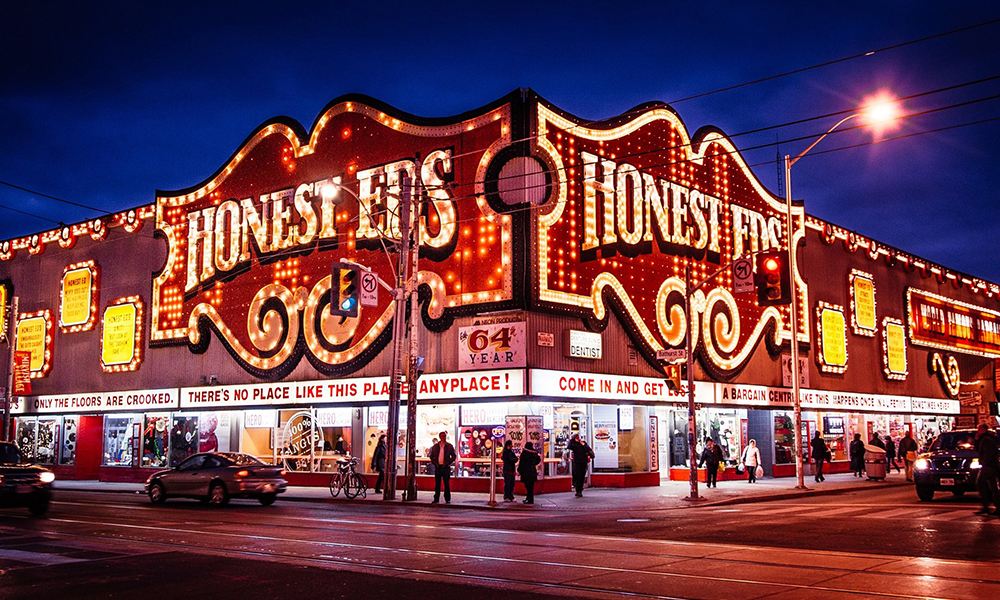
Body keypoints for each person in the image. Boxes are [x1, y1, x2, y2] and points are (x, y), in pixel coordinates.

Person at [974, 424, 999, 516]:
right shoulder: (984, 439)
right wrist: (976, 440)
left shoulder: (987, 439)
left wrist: (985, 462)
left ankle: (987, 506)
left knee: (980, 483)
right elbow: (977, 449)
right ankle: (991, 506)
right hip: (990, 465)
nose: (978, 430)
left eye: (979, 429)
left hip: (989, 466)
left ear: (983, 429)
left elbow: (990, 453)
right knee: (993, 486)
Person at [430, 431, 456, 504]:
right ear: (440, 437)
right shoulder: (435, 447)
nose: (443, 438)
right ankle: (436, 498)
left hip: (445, 467)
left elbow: (454, 456)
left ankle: (447, 499)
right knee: (437, 483)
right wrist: (435, 463)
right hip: (438, 467)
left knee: (446, 483)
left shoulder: (449, 446)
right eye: (442, 436)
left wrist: (448, 462)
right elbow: (432, 456)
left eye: (444, 436)